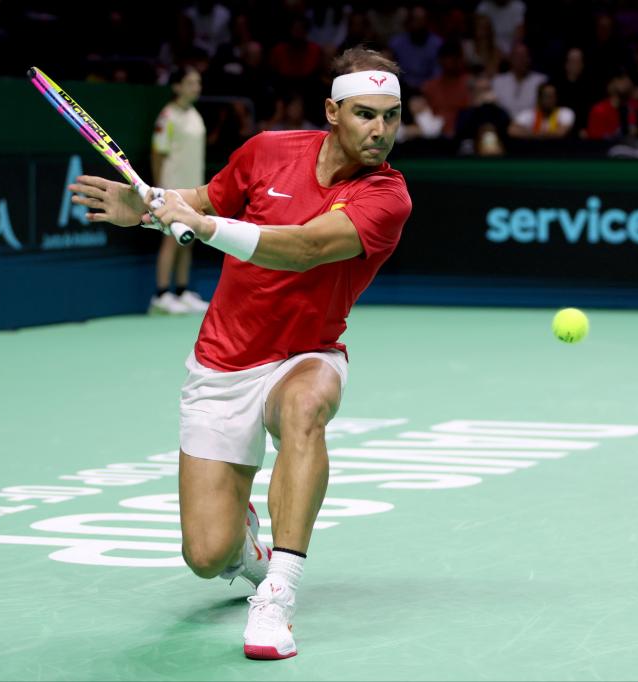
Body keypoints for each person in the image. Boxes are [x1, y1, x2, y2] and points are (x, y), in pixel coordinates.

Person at [68, 46, 411, 660]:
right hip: (223, 363)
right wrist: (145, 212)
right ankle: (248, 553)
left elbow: (303, 247)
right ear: (332, 111)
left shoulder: (387, 197)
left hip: (306, 353)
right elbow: (203, 199)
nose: (380, 131)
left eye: (392, 116)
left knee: (306, 408)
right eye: (365, 114)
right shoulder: (267, 150)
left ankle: (278, 593)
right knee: (206, 557)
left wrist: (199, 227)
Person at [149, 66, 209, 315]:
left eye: (198, 82)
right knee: (170, 240)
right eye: (191, 82)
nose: (197, 87)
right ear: (177, 87)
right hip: (171, 188)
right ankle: (161, 295)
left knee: (189, 237)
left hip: (193, 188)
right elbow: (157, 153)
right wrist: (156, 190)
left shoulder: (195, 115)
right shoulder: (167, 116)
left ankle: (182, 291)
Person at [491, 42, 547, 118]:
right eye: (517, 56)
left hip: (531, 126)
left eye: (524, 56)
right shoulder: (497, 81)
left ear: (529, 59)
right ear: (510, 58)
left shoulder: (540, 81)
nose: (521, 60)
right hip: (503, 124)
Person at [509, 82, 574, 139]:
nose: (549, 100)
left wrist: (530, 132)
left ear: (556, 98)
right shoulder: (528, 114)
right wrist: (546, 134)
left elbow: (560, 133)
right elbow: (512, 131)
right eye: (546, 96)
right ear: (539, 98)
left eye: (552, 96)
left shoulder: (565, 112)